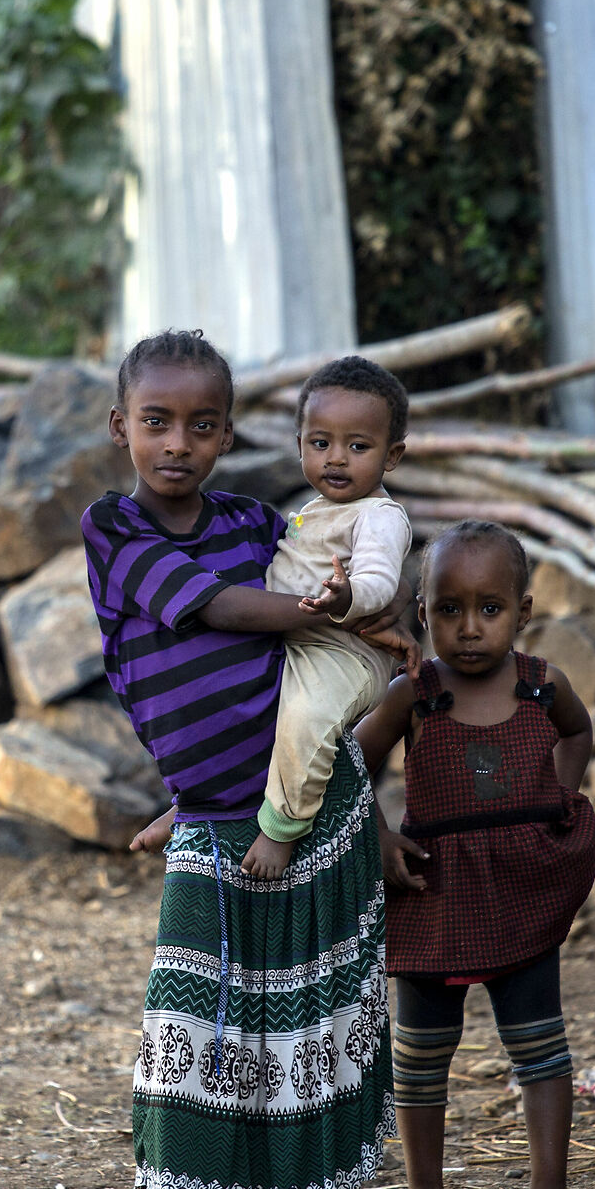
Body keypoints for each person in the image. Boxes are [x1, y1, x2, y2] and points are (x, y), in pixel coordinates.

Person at [81, 330, 415, 1189]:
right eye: (157, 423)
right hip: (210, 809)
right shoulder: (115, 530)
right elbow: (216, 607)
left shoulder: (258, 526)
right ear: (121, 428)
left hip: (308, 802)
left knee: (306, 1006)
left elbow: (329, 659)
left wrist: (370, 614)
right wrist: (331, 614)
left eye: (201, 425)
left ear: (228, 435)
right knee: (190, 1002)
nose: (177, 443)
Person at [346, 520, 595, 1189]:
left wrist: (561, 794)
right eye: (449, 609)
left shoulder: (543, 688)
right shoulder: (412, 694)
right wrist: (380, 835)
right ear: (422, 614)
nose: (469, 628)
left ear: (523, 608)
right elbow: (343, 770)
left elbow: (579, 733)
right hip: (434, 893)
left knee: (538, 1044)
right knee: (421, 1051)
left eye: (490, 609)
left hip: (521, 888)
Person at [240, 356, 415, 880]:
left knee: (306, 722)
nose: (336, 459)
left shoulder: (379, 516)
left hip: (343, 653)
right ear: (299, 444)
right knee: (236, 706)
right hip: (293, 642)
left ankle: (281, 830)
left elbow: (382, 580)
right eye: (320, 444)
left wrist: (347, 597)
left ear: (392, 456)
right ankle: (189, 802)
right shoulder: (312, 509)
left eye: (358, 447)